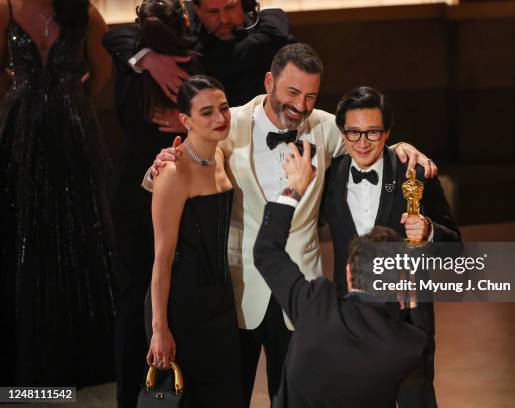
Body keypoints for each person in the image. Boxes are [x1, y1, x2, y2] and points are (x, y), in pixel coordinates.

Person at [145, 43, 437, 405]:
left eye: (310, 96)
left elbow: (370, 146)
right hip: (237, 287)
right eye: (293, 92)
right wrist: (161, 161)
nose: (301, 106)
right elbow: (188, 159)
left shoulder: (328, 127)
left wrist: (404, 147)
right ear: (269, 81)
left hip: (301, 290)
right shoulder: (228, 121)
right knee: (227, 396)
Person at [253, 142, 427, 407]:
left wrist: (294, 189)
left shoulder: (315, 304)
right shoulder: (409, 345)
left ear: (348, 272)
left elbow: (266, 251)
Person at [320, 86, 462, 407]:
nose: (362, 142)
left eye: (372, 132)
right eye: (353, 133)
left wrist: (428, 232)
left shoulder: (416, 173)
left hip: (409, 319)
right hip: (352, 323)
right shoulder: (329, 179)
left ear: (387, 133)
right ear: (342, 133)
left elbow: (456, 248)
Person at [0, 0, 115, 386]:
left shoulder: (84, 12)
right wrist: (20, 99)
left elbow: (104, 74)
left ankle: (85, 354)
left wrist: (71, 102)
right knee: (21, 233)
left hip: (73, 132)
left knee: (80, 232)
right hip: (20, 133)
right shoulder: (5, 8)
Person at [102, 2, 205, 405]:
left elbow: (115, 36)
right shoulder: (192, 60)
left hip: (140, 192)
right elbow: (114, 36)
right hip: (164, 194)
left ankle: (136, 396)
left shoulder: (132, 63)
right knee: (161, 296)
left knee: (137, 299)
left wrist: (143, 56)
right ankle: (170, 393)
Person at [145, 75, 241, 407]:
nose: (220, 118)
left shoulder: (223, 158)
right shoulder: (173, 172)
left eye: (224, 108)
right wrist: (160, 328)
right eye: (207, 112)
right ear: (185, 120)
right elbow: (162, 258)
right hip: (181, 306)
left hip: (221, 299)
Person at [103, 0, 293, 114]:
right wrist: (147, 58)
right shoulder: (181, 24)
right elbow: (115, 36)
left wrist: (198, 120)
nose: (224, 19)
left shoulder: (268, 32)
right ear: (195, 9)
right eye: (213, 12)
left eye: (230, 7)